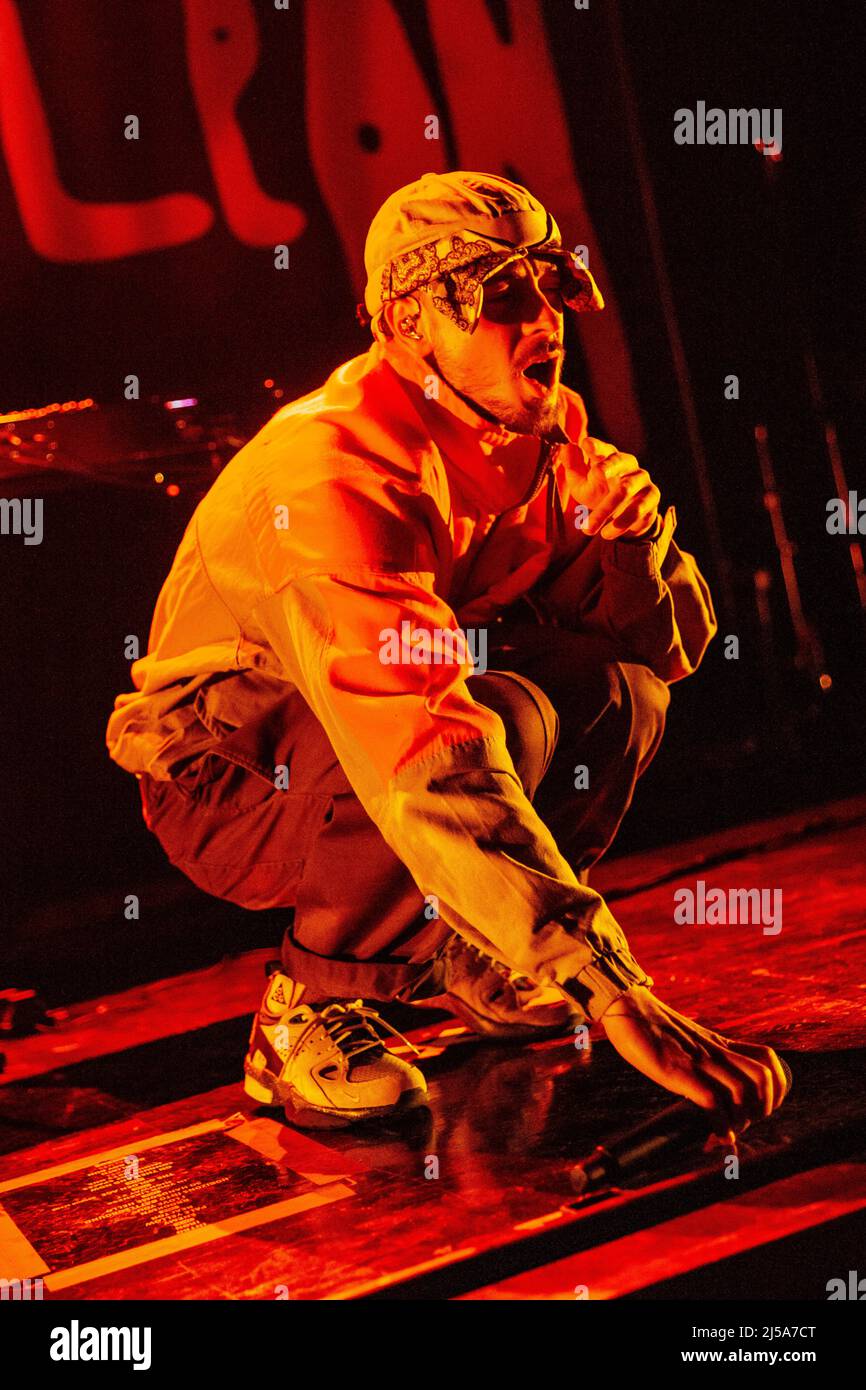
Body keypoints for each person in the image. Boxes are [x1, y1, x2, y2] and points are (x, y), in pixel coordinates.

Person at [106, 170, 788, 1133]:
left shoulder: (538, 434)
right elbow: (421, 746)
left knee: (614, 690)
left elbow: (665, 653)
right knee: (495, 717)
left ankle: (476, 949)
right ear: (408, 321)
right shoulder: (331, 475)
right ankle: (305, 1012)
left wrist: (636, 547)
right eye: (501, 297)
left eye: (549, 290)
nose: (543, 321)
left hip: (380, 741)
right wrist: (605, 982)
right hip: (224, 783)